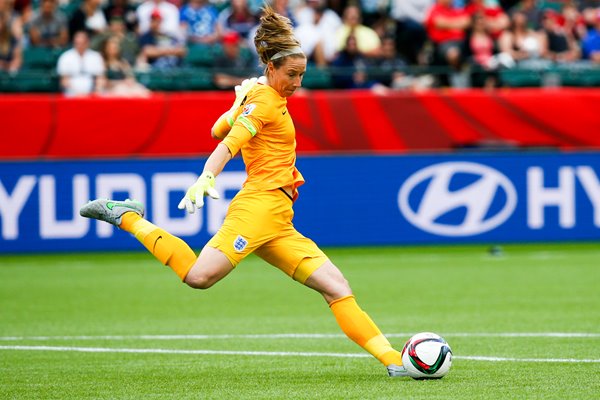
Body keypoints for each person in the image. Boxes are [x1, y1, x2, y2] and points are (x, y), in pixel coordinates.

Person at [80, 6, 409, 378]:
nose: (298, 82)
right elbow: (228, 141)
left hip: (279, 219)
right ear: (272, 68)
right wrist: (207, 175)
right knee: (198, 277)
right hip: (257, 209)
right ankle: (127, 216)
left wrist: (237, 104)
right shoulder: (266, 99)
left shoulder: (259, 93)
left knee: (336, 287)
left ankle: (395, 361)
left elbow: (217, 128)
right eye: (292, 74)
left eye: (302, 74)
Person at [56, 30, 105, 96]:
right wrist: (77, 93)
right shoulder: (66, 56)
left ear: (87, 43)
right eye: (77, 43)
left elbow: (100, 78)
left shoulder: (96, 56)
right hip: (71, 93)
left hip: (92, 93)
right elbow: (64, 80)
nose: (80, 46)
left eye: (82, 43)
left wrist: (96, 90)